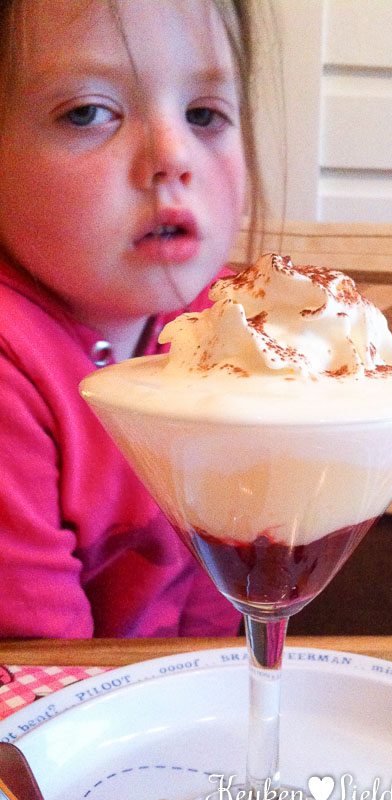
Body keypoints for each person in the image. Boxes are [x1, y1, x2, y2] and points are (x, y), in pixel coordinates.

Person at [0, 0, 268, 637]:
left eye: (204, 114)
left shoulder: (226, 323)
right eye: (88, 113)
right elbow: (39, 669)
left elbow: (222, 601)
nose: (172, 155)